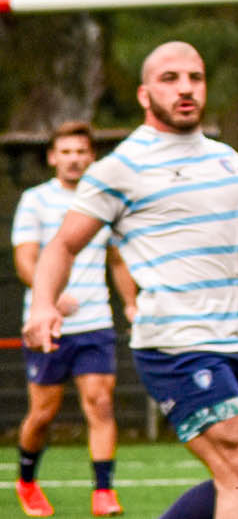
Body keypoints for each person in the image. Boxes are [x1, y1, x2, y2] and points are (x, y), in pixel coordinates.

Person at [24, 42, 238, 519]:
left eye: (195, 77)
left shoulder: (227, 160)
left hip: (234, 341)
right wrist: (43, 304)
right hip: (176, 344)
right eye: (170, 79)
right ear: (144, 94)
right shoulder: (119, 169)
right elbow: (63, 246)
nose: (186, 88)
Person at [12, 122, 138, 518]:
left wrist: (131, 303)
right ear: (53, 157)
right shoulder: (35, 201)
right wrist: (49, 297)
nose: (73, 159)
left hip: (95, 323)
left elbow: (117, 260)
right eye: (65, 152)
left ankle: (103, 491)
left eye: (81, 152)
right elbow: (25, 260)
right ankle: (28, 482)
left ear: (91, 156)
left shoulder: (105, 202)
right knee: (43, 414)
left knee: (100, 403)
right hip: (48, 324)